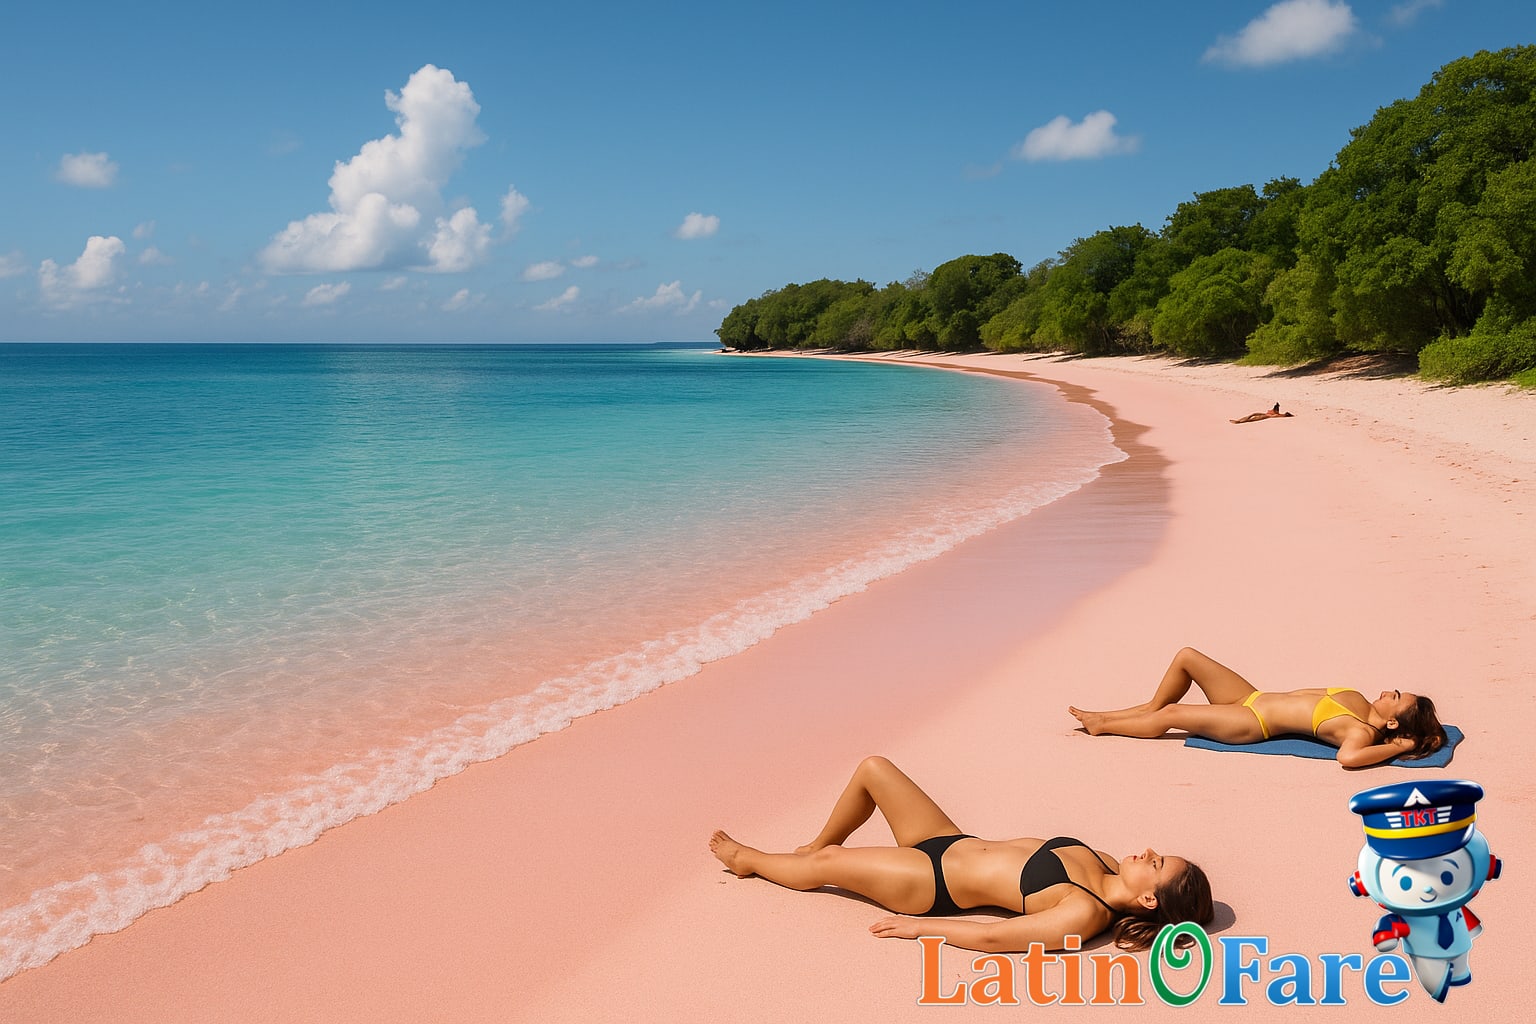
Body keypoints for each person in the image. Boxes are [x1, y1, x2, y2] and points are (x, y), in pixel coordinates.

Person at [709, 755, 1213, 953]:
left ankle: (749, 859)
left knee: (827, 868)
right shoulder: (1101, 859)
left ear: (1150, 900)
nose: (1147, 853)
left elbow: (994, 936)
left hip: (930, 884)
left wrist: (918, 928)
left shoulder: (1082, 914)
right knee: (874, 770)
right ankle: (813, 843)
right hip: (948, 839)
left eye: (1157, 864)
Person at [1069, 647, 1446, 768]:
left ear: (1394, 723)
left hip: (1253, 722)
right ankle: (1135, 709)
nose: (1387, 692)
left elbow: (1348, 759)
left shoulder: (1360, 733)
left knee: (1172, 716)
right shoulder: (1358, 698)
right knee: (1187, 656)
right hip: (1251, 696)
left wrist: (1402, 748)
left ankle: (1105, 724)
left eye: (1395, 698)